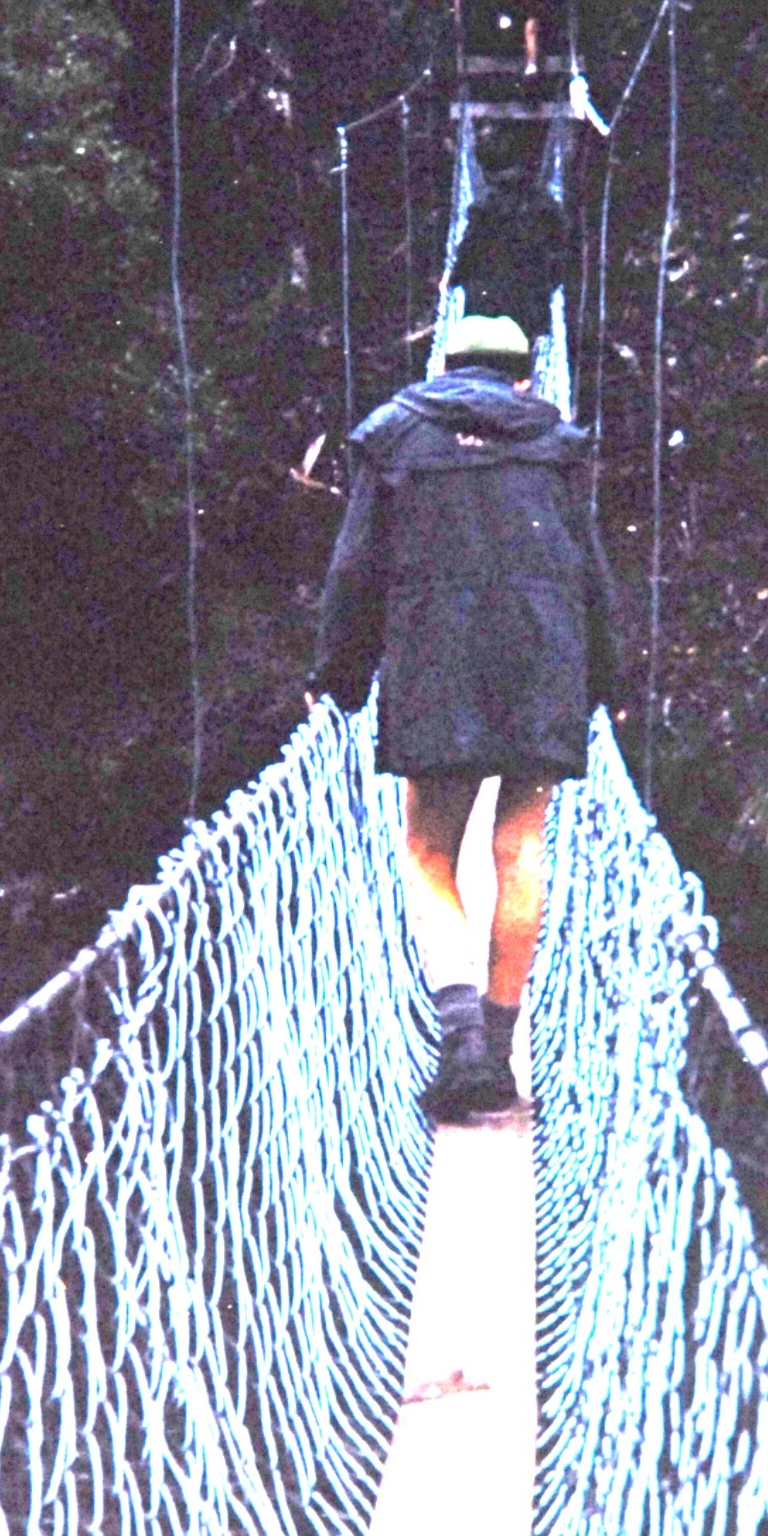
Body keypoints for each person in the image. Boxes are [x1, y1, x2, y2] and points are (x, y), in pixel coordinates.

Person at [306, 306, 619, 1123]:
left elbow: (354, 570)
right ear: (525, 378)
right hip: (543, 662)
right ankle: (502, 1052)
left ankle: (463, 1045)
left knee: (428, 851)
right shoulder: (557, 444)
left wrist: (339, 678)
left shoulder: (395, 436)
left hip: (436, 665)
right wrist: (604, 680)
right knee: (520, 847)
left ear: (444, 366)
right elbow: (591, 573)